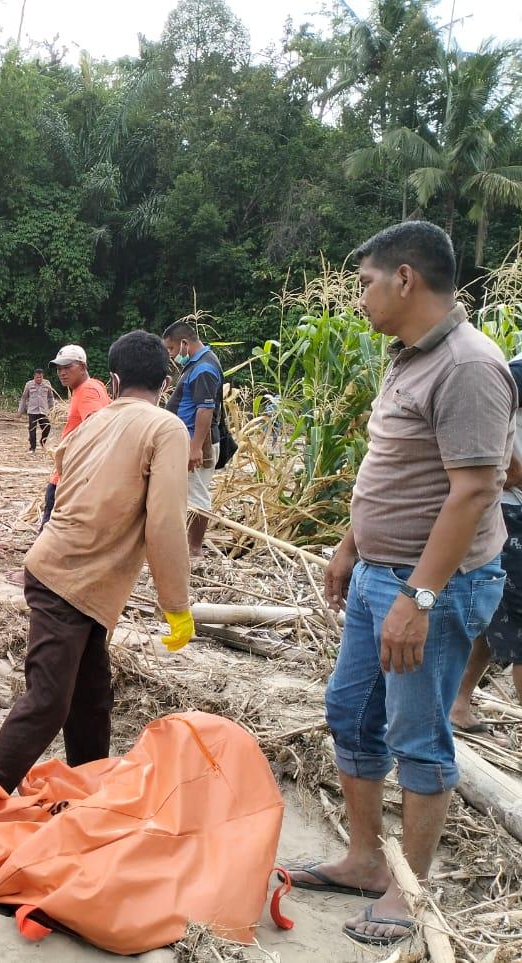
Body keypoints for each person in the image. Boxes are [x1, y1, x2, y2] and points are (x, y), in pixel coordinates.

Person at [288, 221, 514, 947]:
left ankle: (408, 889)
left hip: (430, 591)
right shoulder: (407, 357)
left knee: (417, 736)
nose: (358, 296)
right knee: (351, 713)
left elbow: (476, 489)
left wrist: (417, 597)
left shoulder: (470, 366)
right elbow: (391, 463)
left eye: (364, 282)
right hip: (377, 576)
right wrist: (350, 544)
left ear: (406, 278)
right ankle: (362, 857)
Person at [0, 331, 192, 793]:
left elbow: (62, 485)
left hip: (70, 577)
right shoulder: (166, 427)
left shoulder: (91, 424)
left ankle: (88, 792)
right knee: (48, 703)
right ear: (166, 381)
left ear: (112, 379)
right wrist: (176, 603)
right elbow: (165, 524)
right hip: (68, 581)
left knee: (91, 699)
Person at [449, 352, 522, 733]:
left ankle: (457, 703)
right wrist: (512, 469)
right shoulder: (518, 371)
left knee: (499, 616)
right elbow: (483, 415)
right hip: (513, 513)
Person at [162, 321, 223, 556]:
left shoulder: (204, 368)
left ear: (185, 343)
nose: (172, 355)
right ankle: (185, 544)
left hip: (198, 442)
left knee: (197, 496)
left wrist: (196, 447)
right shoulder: (197, 364)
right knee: (188, 493)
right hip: (188, 439)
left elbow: (205, 409)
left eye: (172, 349)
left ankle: (194, 549)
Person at [41, 344, 110, 525]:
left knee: (52, 530)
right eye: (59, 368)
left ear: (83, 367)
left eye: (67, 367)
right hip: (76, 474)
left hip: (71, 475)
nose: (62, 372)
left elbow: (97, 427)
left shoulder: (87, 390)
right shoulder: (94, 386)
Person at [18, 367, 57, 452]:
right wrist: (20, 411)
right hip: (32, 411)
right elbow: (24, 398)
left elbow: (50, 397)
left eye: (40, 377)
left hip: (43, 411)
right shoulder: (29, 384)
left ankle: (42, 442)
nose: (39, 379)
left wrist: (52, 409)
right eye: (37, 377)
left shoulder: (47, 384)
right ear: (34, 377)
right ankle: (32, 448)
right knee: (32, 429)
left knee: (47, 427)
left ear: (43, 377)